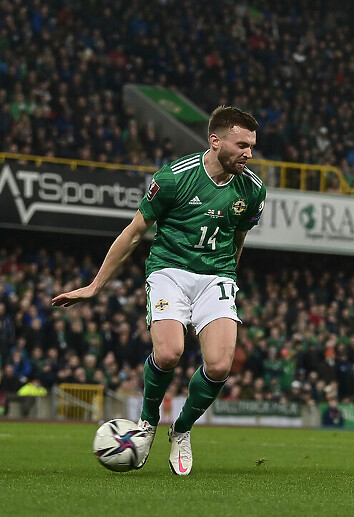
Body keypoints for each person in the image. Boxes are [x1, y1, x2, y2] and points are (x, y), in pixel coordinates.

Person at [53, 106, 267, 475]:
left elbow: (239, 238)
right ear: (215, 141)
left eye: (251, 146)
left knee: (219, 365)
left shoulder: (253, 189)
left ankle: (181, 429)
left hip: (216, 274)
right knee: (169, 354)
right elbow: (134, 233)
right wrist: (94, 285)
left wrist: (227, 278)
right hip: (170, 270)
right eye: (242, 144)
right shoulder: (173, 178)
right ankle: (148, 422)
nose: (249, 153)